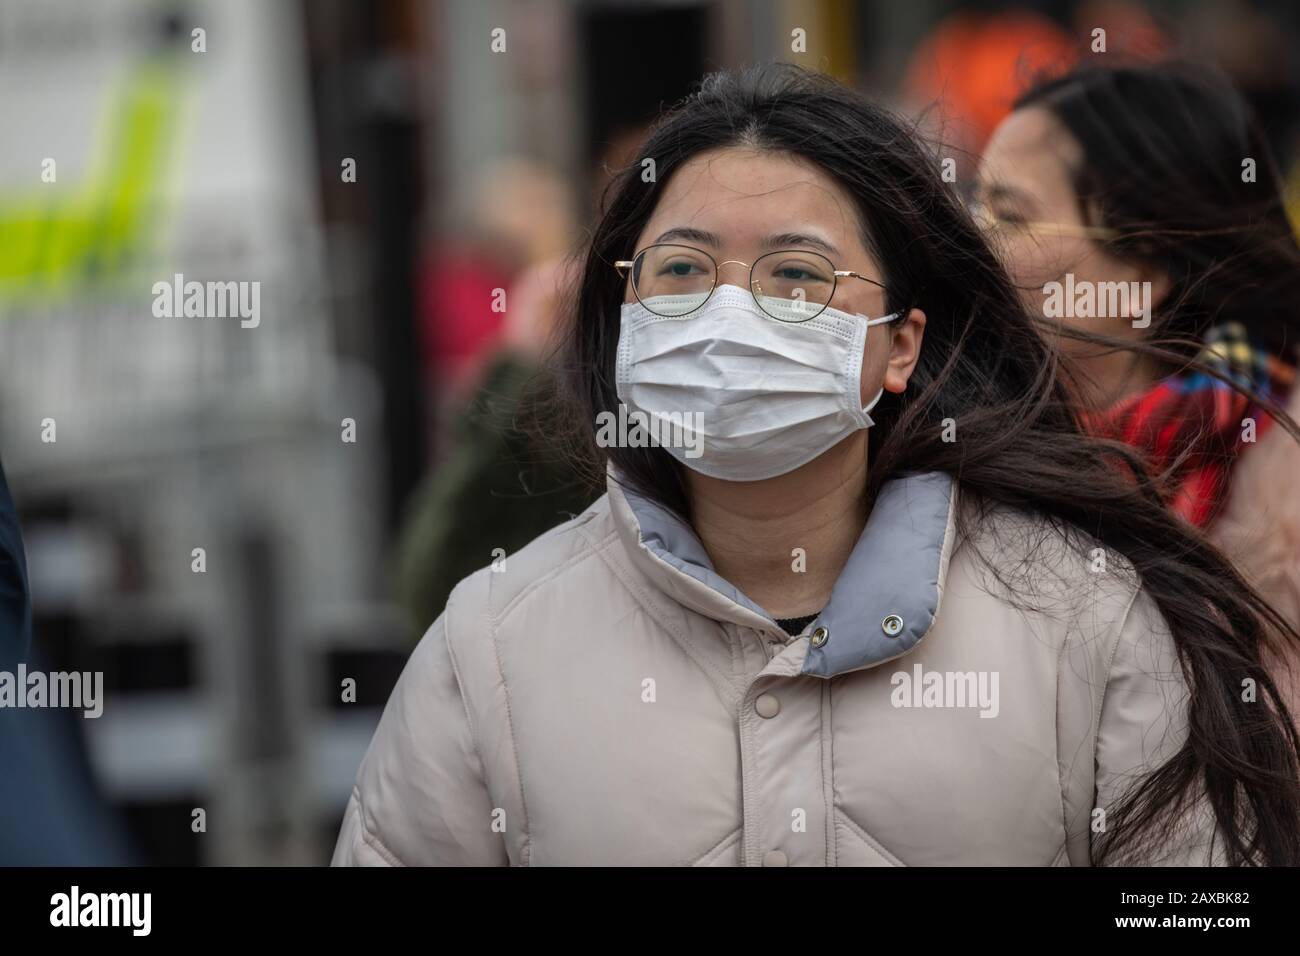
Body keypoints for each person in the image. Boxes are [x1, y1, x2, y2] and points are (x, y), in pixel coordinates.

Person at [334, 64, 1300, 867]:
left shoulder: (1086, 621)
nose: (728, 314)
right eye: (681, 269)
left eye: (796, 273)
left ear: (901, 345)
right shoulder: (491, 649)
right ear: (623, 315)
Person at [976, 62, 1300, 711]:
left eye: (1009, 216)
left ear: (1144, 269)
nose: (967, 239)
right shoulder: (955, 446)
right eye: (972, 204)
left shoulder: (1280, 487)